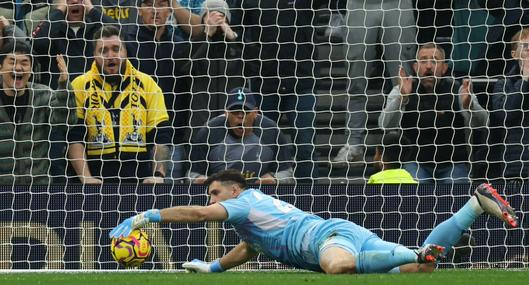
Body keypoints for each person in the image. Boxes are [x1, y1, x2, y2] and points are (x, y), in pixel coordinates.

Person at [110, 169, 518, 274]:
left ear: (232, 191)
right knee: (422, 268)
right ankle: (473, 206)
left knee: (336, 267)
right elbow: (250, 248)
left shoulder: (243, 202)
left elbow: (199, 215)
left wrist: (145, 216)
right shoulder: (251, 218)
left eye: (215, 192)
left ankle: (415, 249)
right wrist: (213, 266)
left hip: (329, 239)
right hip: (342, 230)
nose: (210, 200)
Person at [228, 0, 319, 182]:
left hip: (301, 79)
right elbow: (234, 31)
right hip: (266, 82)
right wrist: (253, 58)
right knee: (260, 145)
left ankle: (309, 195)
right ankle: (261, 196)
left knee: (305, 145)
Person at [67, 25, 171, 184]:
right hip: (93, 182)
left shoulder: (147, 84)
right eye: (103, 50)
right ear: (94, 55)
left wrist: (158, 175)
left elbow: (161, 135)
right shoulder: (79, 85)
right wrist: (86, 177)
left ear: (125, 52)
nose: (110, 56)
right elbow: (75, 137)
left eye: (116, 49)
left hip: (138, 181)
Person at [379, 43, 489, 184]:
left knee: (457, 192)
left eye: (435, 60)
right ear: (415, 67)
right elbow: (384, 125)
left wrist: (470, 105)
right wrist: (402, 98)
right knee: (417, 190)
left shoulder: (459, 90)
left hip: (453, 164)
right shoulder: (402, 89)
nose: (429, 66)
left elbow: (484, 123)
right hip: (414, 163)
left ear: (444, 68)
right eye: (423, 61)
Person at [331, 0, 417, 166]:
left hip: (397, 4)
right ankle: (354, 143)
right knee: (356, 78)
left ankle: (397, 141)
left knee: (402, 78)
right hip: (359, 4)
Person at [126, 0, 191, 181]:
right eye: (148, 4)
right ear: (139, 10)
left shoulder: (180, 46)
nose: (155, 10)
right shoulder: (126, 44)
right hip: (134, 140)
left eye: (161, 4)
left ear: (170, 10)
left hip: (173, 138)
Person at [0, 41, 75, 184]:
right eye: (12, 62)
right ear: (0, 68)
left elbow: (66, 122)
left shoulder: (43, 94)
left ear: (31, 69)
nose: (18, 68)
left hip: (39, 190)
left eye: (24, 62)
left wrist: (64, 85)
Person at [188, 88, 294, 184]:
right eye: (235, 111)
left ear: (255, 112)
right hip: (221, 194)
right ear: (226, 113)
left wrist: (274, 178)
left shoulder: (270, 130)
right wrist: (201, 180)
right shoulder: (209, 131)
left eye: (246, 111)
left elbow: (287, 172)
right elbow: (192, 174)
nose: (240, 116)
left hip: (260, 194)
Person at [32, 0, 117, 89]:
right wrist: (60, 10)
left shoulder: (97, 29)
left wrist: (92, 10)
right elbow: (38, 44)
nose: (75, 1)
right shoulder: (51, 29)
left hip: (94, 95)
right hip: (58, 97)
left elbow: (122, 37)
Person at [490, 28, 529, 181]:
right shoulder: (504, 83)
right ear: (514, 54)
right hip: (516, 166)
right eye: (525, 47)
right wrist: (524, 81)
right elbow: (505, 115)